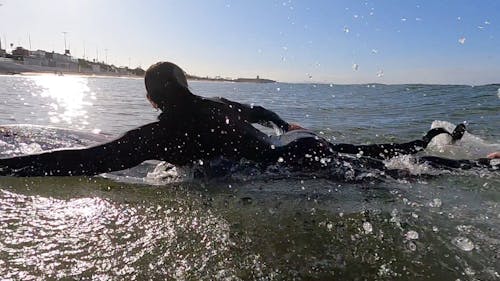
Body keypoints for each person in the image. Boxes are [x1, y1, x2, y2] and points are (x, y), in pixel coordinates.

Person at [0, 62, 493, 177]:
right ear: (187, 85)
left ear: (152, 100)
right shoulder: (218, 106)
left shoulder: (160, 133)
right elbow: (259, 110)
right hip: (299, 147)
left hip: (292, 165)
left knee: (395, 174)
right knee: (376, 157)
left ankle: (482, 164)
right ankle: (435, 137)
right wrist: (284, 124)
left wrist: (8, 167)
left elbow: (86, 160)